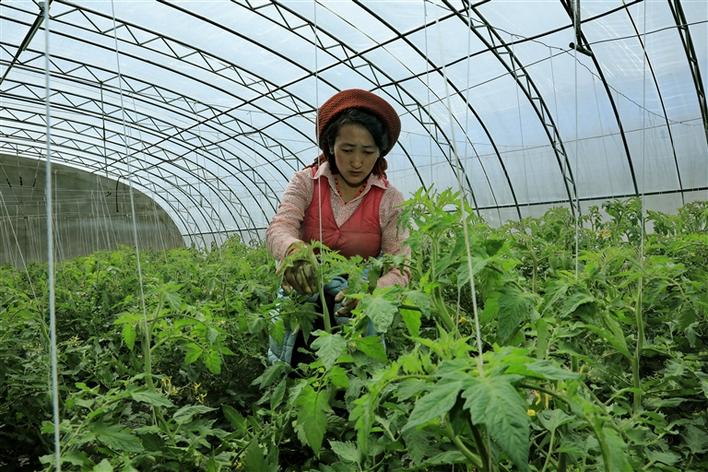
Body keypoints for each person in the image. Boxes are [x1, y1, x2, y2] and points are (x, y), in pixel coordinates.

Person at [265, 88, 410, 365]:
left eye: (368, 151)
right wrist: (294, 251)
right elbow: (280, 227)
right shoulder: (306, 182)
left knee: (354, 379)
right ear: (330, 146)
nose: (357, 162)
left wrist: (372, 291)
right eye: (347, 150)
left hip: (356, 314)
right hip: (303, 306)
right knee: (296, 375)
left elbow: (400, 267)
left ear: (380, 152)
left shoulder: (390, 200)